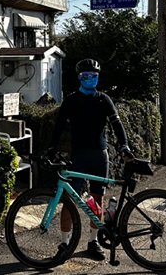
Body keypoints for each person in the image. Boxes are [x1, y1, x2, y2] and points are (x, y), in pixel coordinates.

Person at [47, 58, 133, 260]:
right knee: (70, 201)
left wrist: (124, 145)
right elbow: (58, 126)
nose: (90, 79)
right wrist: (51, 148)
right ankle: (64, 244)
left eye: (93, 76)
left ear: (98, 77)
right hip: (78, 155)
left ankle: (94, 241)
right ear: (79, 78)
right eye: (85, 76)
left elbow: (117, 124)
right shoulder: (71, 100)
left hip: (99, 155)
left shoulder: (104, 99)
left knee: (97, 200)